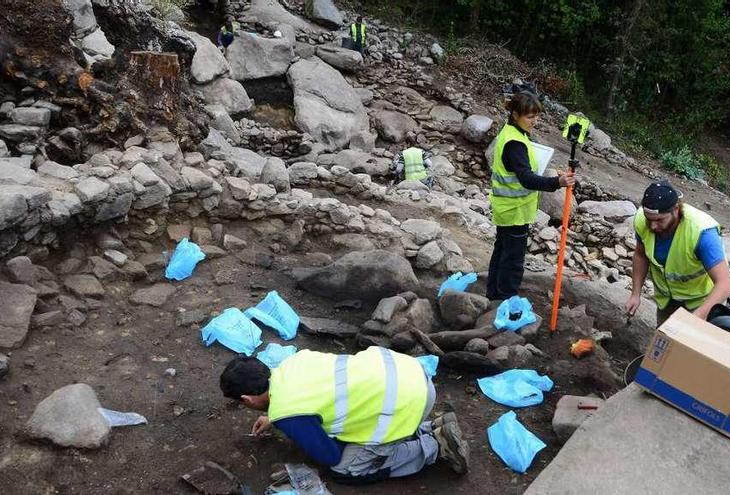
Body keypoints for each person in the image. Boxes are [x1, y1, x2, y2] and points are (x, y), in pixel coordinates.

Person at [219, 347, 469, 484]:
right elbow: (311, 393)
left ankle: (435, 445)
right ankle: (431, 426)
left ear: (247, 400)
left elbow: (329, 454)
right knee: (360, 424)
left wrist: (285, 420)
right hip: (412, 375)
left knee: (344, 470)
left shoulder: (288, 412)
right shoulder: (291, 363)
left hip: (406, 402)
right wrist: (275, 416)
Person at [486, 91, 576, 301]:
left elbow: (523, 170)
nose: (535, 121)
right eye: (530, 117)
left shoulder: (512, 133)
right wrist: (557, 182)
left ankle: (493, 295)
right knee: (513, 260)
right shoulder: (515, 143)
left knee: (501, 252)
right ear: (515, 115)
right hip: (514, 211)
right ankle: (506, 301)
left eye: (537, 116)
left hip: (507, 208)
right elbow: (526, 179)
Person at [625, 180, 730, 325]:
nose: (652, 226)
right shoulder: (642, 220)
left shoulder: (701, 233)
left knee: (692, 344)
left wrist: (698, 317)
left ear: (676, 209)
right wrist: (635, 294)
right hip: (667, 300)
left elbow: (725, 283)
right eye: (649, 219)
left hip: (701, 301)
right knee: (664, 343)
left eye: (659, 220)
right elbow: (640, 255)